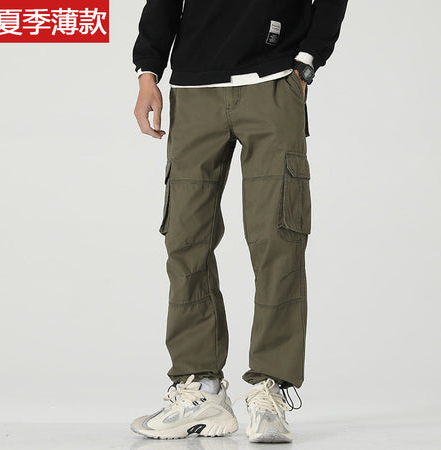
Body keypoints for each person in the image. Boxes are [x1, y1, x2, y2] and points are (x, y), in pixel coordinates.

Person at [131, 0, 348, 443]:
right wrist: (148, 72)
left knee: (277, 238)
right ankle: (201, 389)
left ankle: (270, 388)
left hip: (273, 82)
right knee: (185, 239)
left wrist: (308, 61)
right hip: (193, 87)